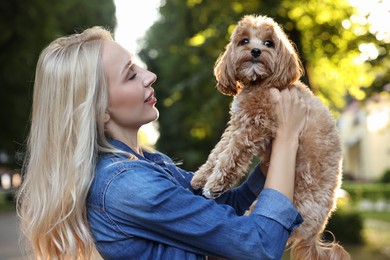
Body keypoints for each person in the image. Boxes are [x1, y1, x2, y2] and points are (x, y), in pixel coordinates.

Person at [17, 26, 307, 259]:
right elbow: (258, 245)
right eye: (131, 75)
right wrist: (287, 138)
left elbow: (220, 208)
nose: (150, 76)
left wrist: (268, 167)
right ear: (99, 109)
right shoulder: (126, 184)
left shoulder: (148, 162)